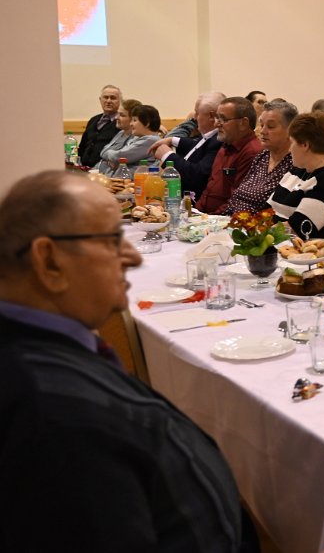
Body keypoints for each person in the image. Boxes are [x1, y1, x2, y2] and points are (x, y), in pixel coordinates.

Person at [0, 171, 258, 551]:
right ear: (49, 261)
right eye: (112, 240)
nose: (133, 256)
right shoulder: (59, 418)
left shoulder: (38, 353)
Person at [269, 112, 324, 239]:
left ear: (305, 145)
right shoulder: (299, 170)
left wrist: (257, 235)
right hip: (281, 243)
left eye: (292, 142)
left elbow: (298, 228)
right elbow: (268, 209)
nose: (289, 149)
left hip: (311, 248)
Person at [226, 99, 297, 214]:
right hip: (232, 218)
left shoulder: (294, 163)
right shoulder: (262, 156)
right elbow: (237, 195)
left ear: (290, 130)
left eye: (271, 126)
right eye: (262, 125)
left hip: (261, 223)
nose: (263, 131)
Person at [149, 92, 225, 197]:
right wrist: (172, 140)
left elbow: (197, 175)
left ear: (211, 116)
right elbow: (198, 146)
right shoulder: (211, 137)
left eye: (197, 113)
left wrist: (167, 155)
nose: (195, 118)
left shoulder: (218, 141)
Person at [196, 96, 262, 214]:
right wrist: (195, 212)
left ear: (243, 123)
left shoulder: (252, 152)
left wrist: (206, 218)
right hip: (204, 216)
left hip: (222, 220)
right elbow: (209, 189)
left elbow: (237, 201)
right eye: (217, 118)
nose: (216, 124)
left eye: (223, 119)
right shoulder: (225, 146)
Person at [96, 102, 160, 175]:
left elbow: (118, 157)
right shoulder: (137, 138)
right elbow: (113, 155)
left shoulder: (150, 140)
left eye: (134, 120)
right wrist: (114, 159)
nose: (131, 124)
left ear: (147, 123)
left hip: (132, 180)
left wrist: (111, 156)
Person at [78, 84, 122, 168]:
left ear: (120, 101)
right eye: (106, 97)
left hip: (106, 169)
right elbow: (82, 146)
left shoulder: (121, 123)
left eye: (113, 98)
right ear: (100, 99)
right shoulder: (93, 120)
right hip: (84, 168)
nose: (108, 101)